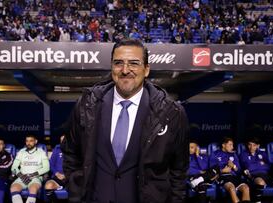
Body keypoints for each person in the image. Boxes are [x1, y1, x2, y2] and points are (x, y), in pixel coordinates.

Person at [61, 39, 190, 203]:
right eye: (118, 63)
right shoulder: (87, 104)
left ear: (146, 70)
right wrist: (76, 191)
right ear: (111, 67)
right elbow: (71, 153)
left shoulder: (172, 113)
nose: (125, 70)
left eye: (134, 63)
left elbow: (178, 170)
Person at [239, 137, 273, 203]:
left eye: (254, 145)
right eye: (250, 144)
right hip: (254, 176)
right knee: (260, 182)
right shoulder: (243, 154)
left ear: (258, 146)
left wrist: (259, 165)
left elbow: (269, 166)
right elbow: (248, 167)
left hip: (267, 175)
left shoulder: (262, 153)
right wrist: (261, 164)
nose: (251, 147)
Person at [209, 137, 250, 203]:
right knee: (231, 187)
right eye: (230, 145)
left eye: (232, 145)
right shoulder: (215, 154)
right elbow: (211, 169)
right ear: (223, 145)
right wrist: (222, 170)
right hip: (222, 177)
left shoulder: (233, 154)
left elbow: (239, 170)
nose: (232, 147)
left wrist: (233, 166)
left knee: (246, 188)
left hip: (234, 177)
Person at [10, 134, 50, 203]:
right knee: (13, 188)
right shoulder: (21, 152)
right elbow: (14, 167)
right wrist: (22, 176)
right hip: (22, 177)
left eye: (31, 141)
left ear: (35, 141)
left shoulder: (41, 152)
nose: (28, 143)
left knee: (33, 189)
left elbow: (46, 168)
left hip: (35, 178)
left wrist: (31, 175)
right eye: (27, 141)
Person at [44, 135, 67, 202]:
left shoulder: (74, 151)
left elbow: (77, 166)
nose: (63, 142)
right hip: (58, 177)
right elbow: (51, 164)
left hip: (70, 178)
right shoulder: (57, 150)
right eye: (61, 141)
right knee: (48, 186)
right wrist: (56, 173)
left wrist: (67, 175)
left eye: (65, 140)